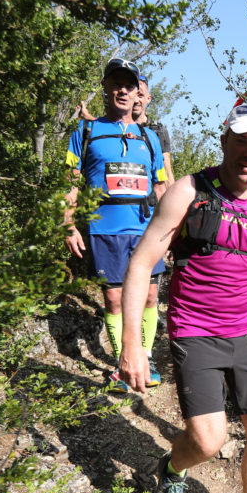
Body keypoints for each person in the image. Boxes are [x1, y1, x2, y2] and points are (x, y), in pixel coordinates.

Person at [118, 104, 247, 493]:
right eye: (242, 141)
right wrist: (131, 346)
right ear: (225, 141)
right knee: (208, 440)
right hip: (196, 331)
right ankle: (173, 469)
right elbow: (140, 264)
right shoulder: (188, 193)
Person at [64, 57, 169, 391]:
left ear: (137, 91)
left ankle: (146, 359)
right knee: (114, 300)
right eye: (116, 84)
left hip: (145, 229)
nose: (122, 91)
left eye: (129, 85)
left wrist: (173, 232)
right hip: (104, 227)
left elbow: (162, 187)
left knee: (151, 297)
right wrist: (68, 224)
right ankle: (124, 363)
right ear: (106, 88)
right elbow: (69, 182)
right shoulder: (86, 131)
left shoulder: (149, 137)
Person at [134, 75, 176, 185]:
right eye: (133, 94)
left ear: (148, 98)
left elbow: (166, 171)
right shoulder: (116, 126)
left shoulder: (158, 130)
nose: (136, 100)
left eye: (141, 95)